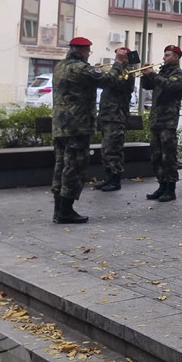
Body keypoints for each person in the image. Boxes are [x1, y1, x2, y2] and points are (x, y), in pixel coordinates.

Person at [51, 38, 128, 224]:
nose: (88, 55)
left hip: (60, 126)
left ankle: (58, 210)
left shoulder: (60, 66)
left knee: (60, 166)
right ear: (83, 51)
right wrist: (118, 62)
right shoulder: (80, 68)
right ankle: (66, 211)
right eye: (88, 52)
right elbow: (109, 80)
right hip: (77, 126)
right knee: (74, 168)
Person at [140, 45, 182, 201]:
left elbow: (170, 86)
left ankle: (170, 188)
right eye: (164, 54)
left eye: (167, 55)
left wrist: (152, 74)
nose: (164, 57)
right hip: (156, 120)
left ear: (176, 57)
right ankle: (161, 184)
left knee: (168, 157)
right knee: (156, 156)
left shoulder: (178, 74)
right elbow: (146, 86)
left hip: (168, 121)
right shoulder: (162, 72)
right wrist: (145, 75)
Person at [94, 50, 136, 193]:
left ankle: (115, 179)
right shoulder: (117, 69)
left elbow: (114, 82)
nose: (117, 57)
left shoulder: (128, 70)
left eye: (120, 54)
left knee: (113, 149)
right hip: (107, 115)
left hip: (117, 115)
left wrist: (116, 65)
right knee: (105, 148)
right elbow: (104, 82)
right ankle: (108, 177)